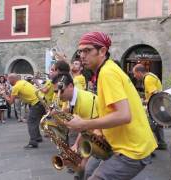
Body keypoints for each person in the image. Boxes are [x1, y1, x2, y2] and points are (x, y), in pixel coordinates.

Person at [63, 31, 157, 180]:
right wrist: (98, 130)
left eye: (87, 50)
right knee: (87, 172)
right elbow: (111, 109)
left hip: (131, 150)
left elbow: (124, 115)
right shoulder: (107, 69)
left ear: (102, 51)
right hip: (128, 145)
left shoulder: (107, 73)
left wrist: (84, 124)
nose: (82, 55)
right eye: (80, 51)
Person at [52, 73, 99, 179]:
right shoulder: (70, 99)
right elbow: (81, 127)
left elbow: (90, 127)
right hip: (92, 134)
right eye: (56, 91)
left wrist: (77, 146)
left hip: (103, 137)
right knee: (83, 168)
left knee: (87, 170)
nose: (58, 95)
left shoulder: (85, 100)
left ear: (71, 86)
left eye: (61, 91)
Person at [1, 73, 45, 149]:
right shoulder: (23, 82)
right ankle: (38, 137)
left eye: (8, 79)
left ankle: (33, 142)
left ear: (12, 79)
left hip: (36, 103)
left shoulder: (16, 87)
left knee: (31, 122)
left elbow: (11, 102)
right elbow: (20, 95)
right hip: (41, 101)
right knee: (35, 121)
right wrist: (8, 93)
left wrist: (4, 94)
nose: (8, 81)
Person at [132, 63, 167, 150]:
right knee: (158, 126)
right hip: (159, 106)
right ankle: (162, 143)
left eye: (134, 73)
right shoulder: (151, 76)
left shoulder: (148, 79)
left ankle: (148, 148)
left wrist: (144, 102)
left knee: (146, 127)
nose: (134, 76)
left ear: (139, 72)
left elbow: (154, 95)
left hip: (154, 107)